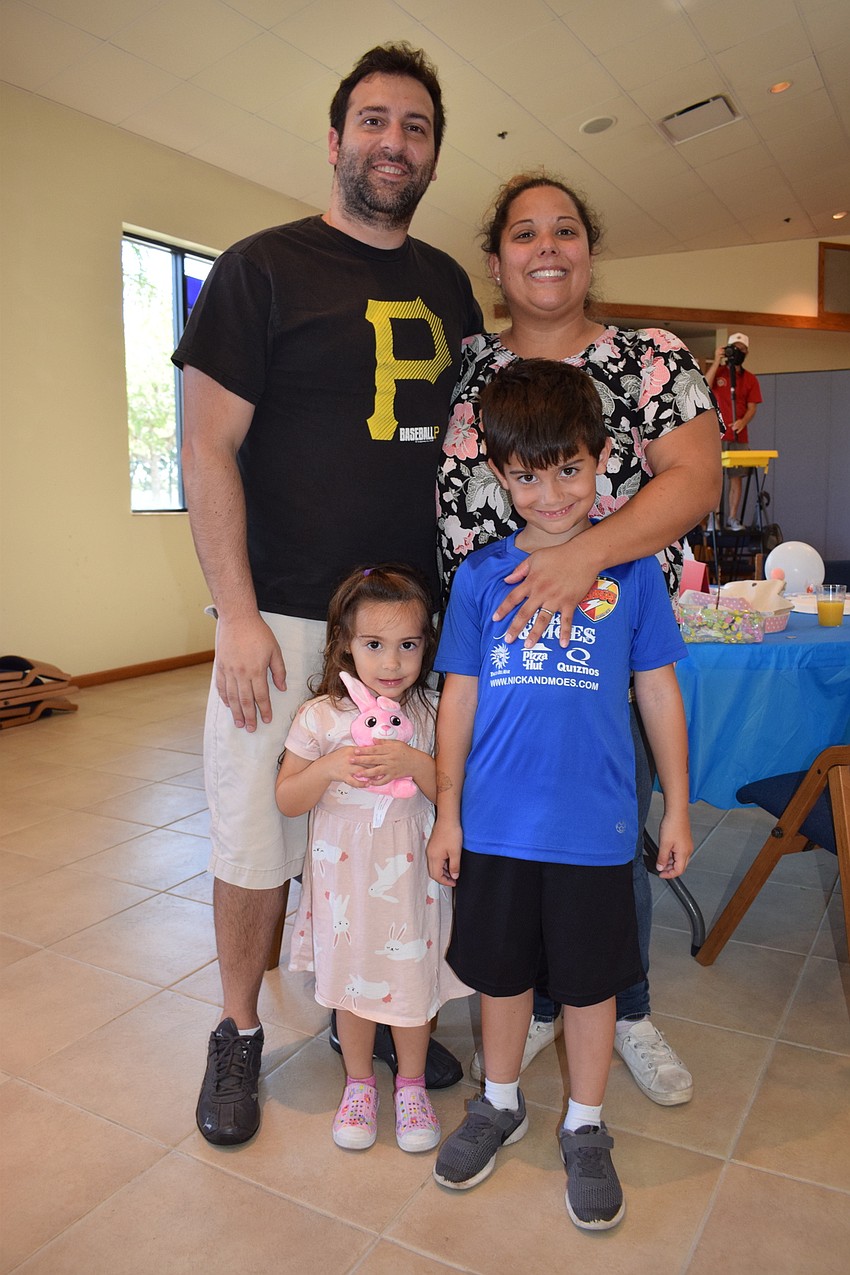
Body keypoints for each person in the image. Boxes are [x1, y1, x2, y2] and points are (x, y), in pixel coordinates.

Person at [173, 42, 482, 1147]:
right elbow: (204, 447)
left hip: (408, 630)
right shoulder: (260, 268)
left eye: (415, 126)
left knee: (394, 828)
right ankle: (240, 1031)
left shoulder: (449, 283)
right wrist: (240, 614)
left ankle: (391, 1006)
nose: (392, 142)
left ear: (433, 151)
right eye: (373, 120)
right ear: (338, 136)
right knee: (259, 838)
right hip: (288, 615)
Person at [438, 172, 723, 1105]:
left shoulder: (649, 356)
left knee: (606, 840)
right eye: (524, 233)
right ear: (497, 260)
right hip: (491, 656)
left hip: (605, 646)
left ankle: (624, 1006)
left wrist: (582, 559)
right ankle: (522, 1038)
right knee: (511, 857)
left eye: (565, 229)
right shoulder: (472, 367)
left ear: (590, 250)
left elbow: (693, 480)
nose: (546, 246)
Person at [428, 359, 692, 1229]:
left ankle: (586, 1123)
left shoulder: (638, 574)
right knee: (500, 978)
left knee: (588, 985)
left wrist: (680, 805)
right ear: (500, 474)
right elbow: (458, 700)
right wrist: (449, 809)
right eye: (528, 475)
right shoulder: (477, 579)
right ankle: (498, 1100)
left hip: (595, 826)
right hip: (497, 825)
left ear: (603, 458)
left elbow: (657, 691)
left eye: (570, 470)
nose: (551, 494)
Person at [276, 565, 469, 1153]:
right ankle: (359, 1084)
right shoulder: (320, 718)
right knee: (352, 984)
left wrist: (417, 766)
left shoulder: (435, 714)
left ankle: (410, 1086)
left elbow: (458, 794)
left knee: (411, 985)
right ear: (345, 644)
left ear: (426, 645)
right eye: (375, 645)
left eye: (408, 645)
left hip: (411, 880)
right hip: (345, 887)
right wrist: (329, 768)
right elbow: (287, 799)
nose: (392, 663)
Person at [705, 333, 763, 530]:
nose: (737, 352)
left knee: (736, 476)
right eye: (733, 348)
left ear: (746, 352)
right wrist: (716, 360)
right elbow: (704, 386)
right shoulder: (719, 372)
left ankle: (732, 517)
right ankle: (714, 518)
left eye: (741, 348)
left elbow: (752, 406)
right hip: (717, 434)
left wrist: (743, 421)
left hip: (738, 435)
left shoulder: (750, 379)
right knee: (715, 478)